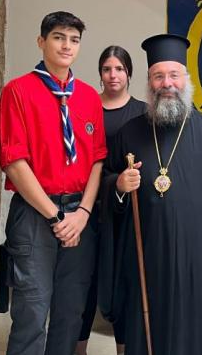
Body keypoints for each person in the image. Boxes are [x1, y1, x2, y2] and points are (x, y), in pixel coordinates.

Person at [102, 33, 202, 355]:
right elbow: (107, 182)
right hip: (145, 257)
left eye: (173, 75)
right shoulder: (130, 133)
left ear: (186, 79)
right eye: (158, 76)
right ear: (149, 82)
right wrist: (119, 186)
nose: (166, 83)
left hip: (199, 260)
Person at [0, 11, 107, 355]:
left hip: (79, 215)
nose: (66, 46)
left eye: (74, 40)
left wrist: (83, 213)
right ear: (41, 41)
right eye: (59, 37)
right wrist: (56, 216)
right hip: (34, 214)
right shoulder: (18, 91)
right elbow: (15, 163)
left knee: (70, 311)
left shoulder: (88, 96)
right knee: (31, 309)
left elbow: (97, 159)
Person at [77, 45, 146, 355]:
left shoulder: (143, 113)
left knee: (124, 285)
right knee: (85, 283)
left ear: (129, 73)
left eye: (119, 69)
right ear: (100, 74)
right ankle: (78, 349)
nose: (113, 75)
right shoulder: (85, 108)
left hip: (128, 213)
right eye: (107, 69)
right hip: (88, 208)